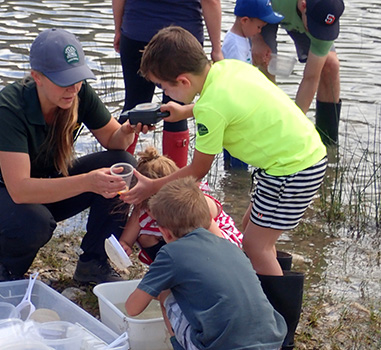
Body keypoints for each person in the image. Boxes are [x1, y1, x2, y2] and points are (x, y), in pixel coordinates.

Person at [120, 26, 327, 349]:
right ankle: (261, 312)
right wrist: (186, 110)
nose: (164, 93)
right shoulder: (228, 68)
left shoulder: (210, 109)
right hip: (297, 156)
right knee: (249, 233)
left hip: (291, 169)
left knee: (258, 247)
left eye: (163, 86)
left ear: (183, 82)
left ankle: (280, 335)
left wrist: (151, 186)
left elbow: (197, 171)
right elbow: (222, 103)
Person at [0, 28, 149, 284]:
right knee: (35, 222)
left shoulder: (78, 93)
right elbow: (20, 190)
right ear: (37, 77)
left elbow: (112, 140)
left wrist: (128, 129)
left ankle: (93, 263)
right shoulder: (10, 106)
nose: (73, 88)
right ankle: (8, 265)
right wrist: (88, 182)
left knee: (122, 164)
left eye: (78, 78)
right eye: (64, 80)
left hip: (46, 182)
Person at [125, 177, 286, 350]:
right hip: (273, 340)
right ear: (210, 217)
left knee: (166, 294)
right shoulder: (230, 246)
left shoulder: (170, 254)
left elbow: (132, 308)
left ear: (164, 231)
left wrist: (159, 289)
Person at [112, 0, 223, 167]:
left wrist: (118, 28)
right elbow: (211, 1)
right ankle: (176, 183)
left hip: (137, 28)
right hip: (183, 37)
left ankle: (115, 176)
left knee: (133, 107)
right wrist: (216, 49)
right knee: (177, 112)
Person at [119, 146, 242, 265]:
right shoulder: (142, 209)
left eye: (161, 208)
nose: (156, 214)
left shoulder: (194, 204)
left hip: (216, 247)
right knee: (146, 237)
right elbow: (126, 240)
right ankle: (168, 271)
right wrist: (124, 247)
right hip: (179, 248)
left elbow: (219, 244)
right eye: (150, 209)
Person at [251, 0, 345, 146]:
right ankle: (268, 133)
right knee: (265, 60)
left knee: (330, 65)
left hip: (298, 15)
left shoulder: (327, 13)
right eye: (315, 25)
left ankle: (327, 144)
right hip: (264, 8)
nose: (320, 33)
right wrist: (256, 39)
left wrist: (294, 126)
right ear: (303, 5)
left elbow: (311, 78)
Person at [220, 0, 283, 170]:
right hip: (236, 113)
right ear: (245, 21)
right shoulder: (234, 45)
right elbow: (237, 80)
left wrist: (256, 65)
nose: (259, 32)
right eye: (259, 27)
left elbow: (242, 70)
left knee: (233, 153)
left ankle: (232, 184)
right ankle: (238, 189)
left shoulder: (242, 39)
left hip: (236, 112)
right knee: (240, 158)